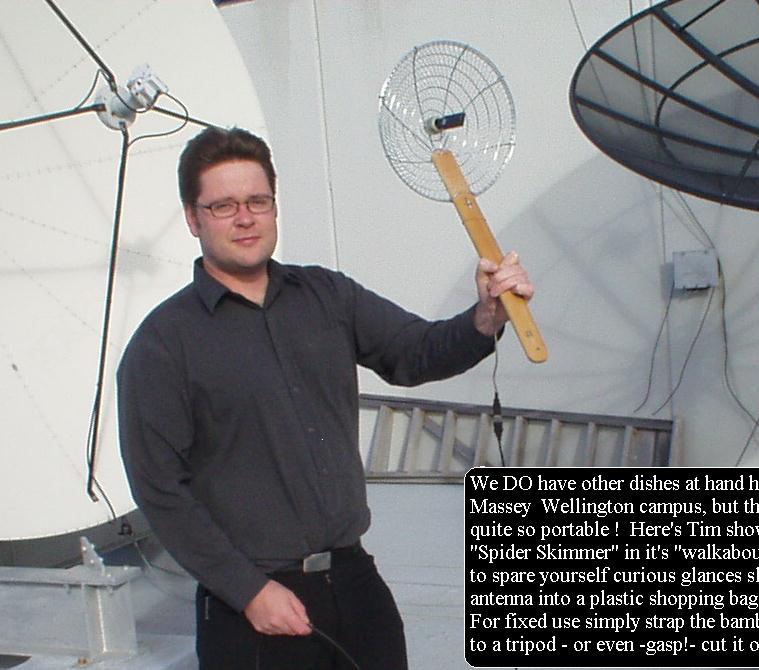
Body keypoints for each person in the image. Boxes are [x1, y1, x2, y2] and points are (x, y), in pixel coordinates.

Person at [117, 126, 535, 669]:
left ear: (273, 207)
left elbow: (416, 351)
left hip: (355, 585)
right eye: (223, 206)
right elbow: (159, 488)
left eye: (257, 201)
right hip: (252, 609)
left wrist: (486, 317)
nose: (245, 218)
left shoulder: (327, 296)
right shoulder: (163, 344)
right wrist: (247, 590)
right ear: (193, 219)